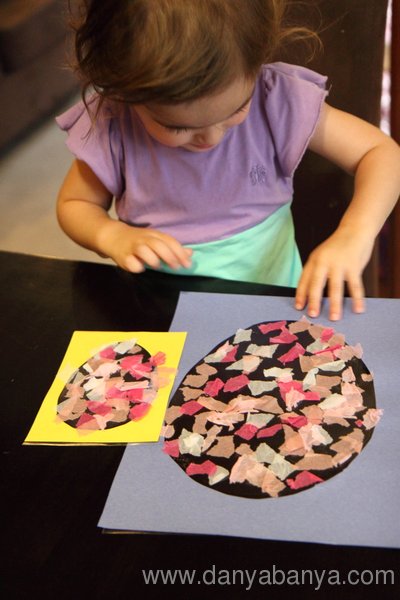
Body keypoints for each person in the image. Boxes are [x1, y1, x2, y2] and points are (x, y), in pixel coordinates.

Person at [56, 0, 400, 321]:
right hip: (161, 313)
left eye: (236, 110)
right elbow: (75, 203)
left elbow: (383, 154)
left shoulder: (275, 98)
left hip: (275, 310)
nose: (211, 138)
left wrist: (355, 234)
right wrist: (109, 235)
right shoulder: (113, 123)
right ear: (123, 92)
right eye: (177, 126)